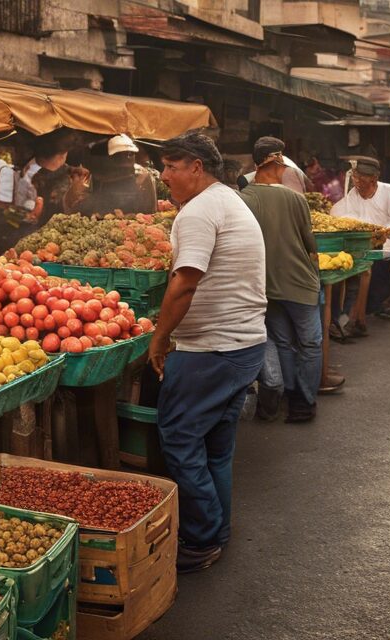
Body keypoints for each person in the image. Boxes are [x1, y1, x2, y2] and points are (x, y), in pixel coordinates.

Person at [146, 132, 266, 573]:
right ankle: (216, 530)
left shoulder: (197, 212)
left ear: (197, 167)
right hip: (243, 343)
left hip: (212, 349)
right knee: (215, 446)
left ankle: (199, 539)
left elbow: (185, 282)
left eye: (171, 167)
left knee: (178, 436)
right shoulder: (229, 201)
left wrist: (159, 338)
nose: (164, 177)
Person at [238, 137, 321, 423]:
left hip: (267, 286)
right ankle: (305, 402)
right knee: (310, 344)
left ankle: (289, 395)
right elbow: (310, 245)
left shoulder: (242, 199)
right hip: (301, 284)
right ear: (276, 161)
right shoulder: (295, 199)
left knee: (284, 342)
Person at [330, 157, 390, 337]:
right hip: (361, 241)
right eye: (355, 178)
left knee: (370, 278)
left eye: (361, 179)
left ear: (374, 179)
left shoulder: (388, 190)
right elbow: (340, 214)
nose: (357, 182)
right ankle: (355, 320)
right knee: (359, 274)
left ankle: (356, 319)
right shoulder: (353, 193)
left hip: (384, 240)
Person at [82, 134, 159, 215]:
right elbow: (89, 205)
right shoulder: (98, 175)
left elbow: (150, 210)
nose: (126, 158)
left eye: (130, 154)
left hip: (135, 223)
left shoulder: (143, 175)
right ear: (111, 157)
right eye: (119, 155)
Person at [236, 136, 311, 193]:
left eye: (281, 155)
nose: (281, 159)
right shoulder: (245, 181)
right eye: (277, 155)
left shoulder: (288, 170)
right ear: (264, 159)